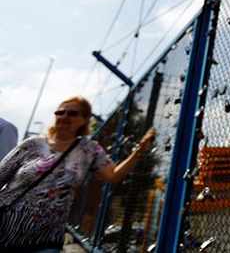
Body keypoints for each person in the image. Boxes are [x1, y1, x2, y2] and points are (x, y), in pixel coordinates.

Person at [0, 96, 156, 253]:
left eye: (72, 113)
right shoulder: (32, 144)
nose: (64, 116)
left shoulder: (89, 150)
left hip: (46, 237)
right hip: (5, 226)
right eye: (60, 112)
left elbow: (113, 175)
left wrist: (139, 151)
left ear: (84, 119)